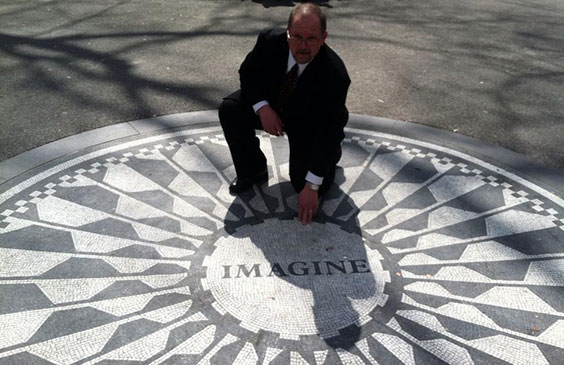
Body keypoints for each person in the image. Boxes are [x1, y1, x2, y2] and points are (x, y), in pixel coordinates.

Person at [219, 3, 350, 225]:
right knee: (231, 109)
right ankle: (252, 171)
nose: (303, 46)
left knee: (302, 182)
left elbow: (328, 131)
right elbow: (247, 74)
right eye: (297, 36)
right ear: (287, 33)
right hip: (273, 106)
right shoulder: (270, 41)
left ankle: (329, 163)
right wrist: (263, 108)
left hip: (310, 124)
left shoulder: (335, 75)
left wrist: (312, 186)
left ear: (324, 37)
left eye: (311, 38)